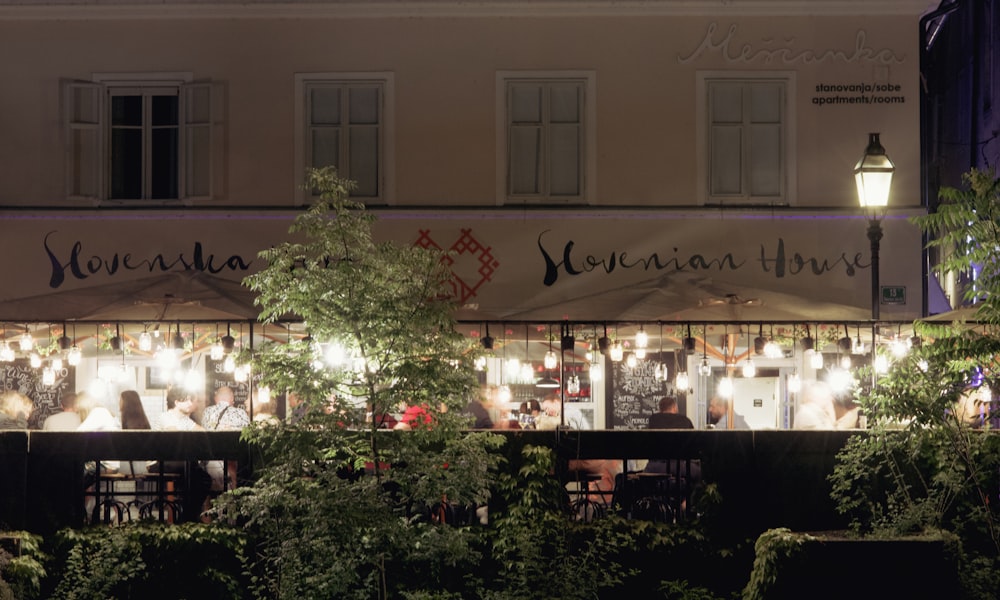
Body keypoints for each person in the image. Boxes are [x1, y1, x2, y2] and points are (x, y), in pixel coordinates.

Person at [154, 387, 212, 522]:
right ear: (176, 402)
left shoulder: (185, 420)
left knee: (202, 477)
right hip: (159, 463)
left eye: (191, 400)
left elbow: (202, 431)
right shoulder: (166, 416)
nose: (190, 403)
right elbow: (175, 437)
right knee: (196, 473)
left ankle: (188, 516)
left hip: (176, 462)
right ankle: (188, 518)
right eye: (186, 400)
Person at [201, 386, 249, 491]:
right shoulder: (240, 413)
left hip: (211, 459)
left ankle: (208, 505)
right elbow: (247, 434)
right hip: (232, 461)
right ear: (232, 398)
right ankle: (232, 500)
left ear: (216, 398)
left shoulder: (207, 412)